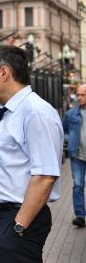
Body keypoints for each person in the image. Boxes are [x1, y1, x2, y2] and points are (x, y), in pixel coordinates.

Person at [0, 45, 63, 262]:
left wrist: (18, 227)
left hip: (14, 221)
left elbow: (46, 176)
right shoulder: (2, 111)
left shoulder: (36, 112)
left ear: (4, 73)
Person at [62, 84, 86, 228]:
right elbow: (63, 130)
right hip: (77, 156)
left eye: (82, 95)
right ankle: (80, 216)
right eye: (78, 94)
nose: (79, 97)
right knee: (78, 185)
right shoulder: (71, 114)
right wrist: (69, 139)